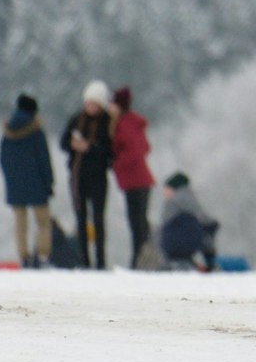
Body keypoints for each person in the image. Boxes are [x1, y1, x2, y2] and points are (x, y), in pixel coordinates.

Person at [61, 80, 116, 270]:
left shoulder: (108, 123)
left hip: (98, 178)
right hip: (78, 178)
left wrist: (89, 148)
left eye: (94, 103)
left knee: (99, 220)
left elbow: (110, 151)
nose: (90, 107)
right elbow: (63, 142)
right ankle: (83, 260)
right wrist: (73, 145)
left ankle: (100, 261)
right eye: (88, 103)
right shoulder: (76, 120)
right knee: (81, 219)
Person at [0, 93, 55, 268]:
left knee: (20, 224)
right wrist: (49, 182)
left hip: (15, 184)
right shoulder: (36, 132)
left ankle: (24, 257)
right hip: (37, 183)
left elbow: (2, 159)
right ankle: (42, 256)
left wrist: (11, 179)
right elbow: (44, 159)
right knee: (43, 222)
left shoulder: (7, 133)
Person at [109, 85, 155, 269]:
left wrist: (117, 163)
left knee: (138, 224)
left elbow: (137, 149)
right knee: (139, 223)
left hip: (137, 181)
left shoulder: (126, 124)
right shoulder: (127, 122)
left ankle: (140, 260)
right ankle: (140, 259)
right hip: (136, 181)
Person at [158, 172, 221, 271]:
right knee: (207, 231)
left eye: (166, 189)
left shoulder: (172, 201)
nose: (164, 193)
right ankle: (210, 264)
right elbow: (204, 219)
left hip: (172, 245)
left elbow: (164, 225)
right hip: (192, 243)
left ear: (173, 187)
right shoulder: (190, 198)